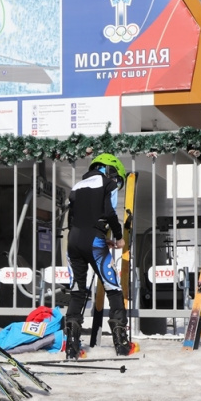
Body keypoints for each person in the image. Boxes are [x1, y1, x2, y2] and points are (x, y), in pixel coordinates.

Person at [63, 153, 135, 358]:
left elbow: (74, 217)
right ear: (109, 169)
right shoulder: (108, 184)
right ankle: (121, 345)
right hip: (94, 242)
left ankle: (72, 347)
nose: (117, 183)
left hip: (74, 242)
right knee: (113, 288)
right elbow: (109, 213)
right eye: (117, 178)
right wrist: (119, 237)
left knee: (77, 290)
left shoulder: (77, 186)